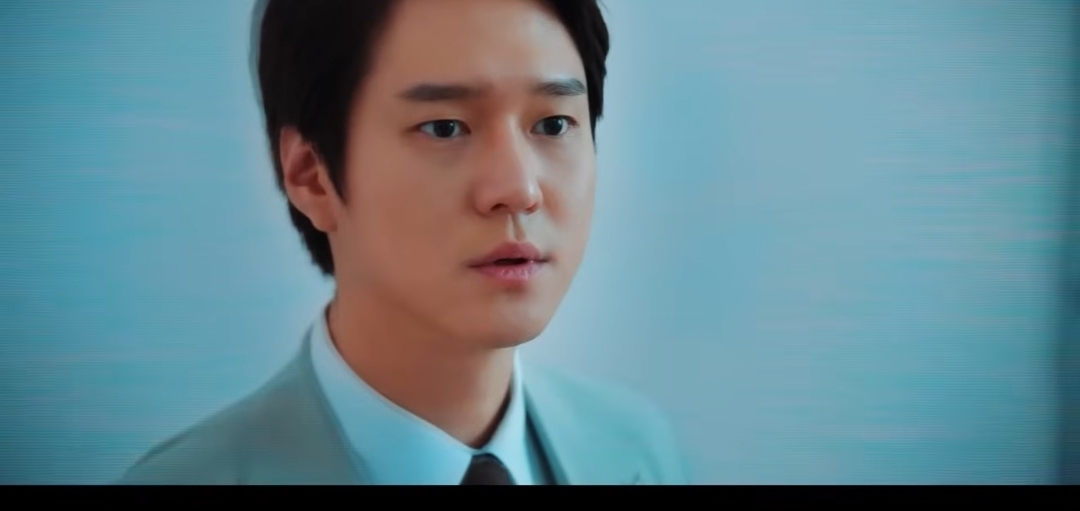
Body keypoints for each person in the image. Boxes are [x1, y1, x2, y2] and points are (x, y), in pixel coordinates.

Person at [119, 0, 689, 485]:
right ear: (311, 175)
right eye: (445, 128)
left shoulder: (638, 450)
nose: (518, 189)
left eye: (553, 124)